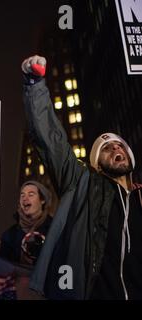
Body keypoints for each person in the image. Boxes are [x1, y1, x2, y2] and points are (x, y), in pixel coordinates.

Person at [22, 55, 142, 300]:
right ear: (96, 164)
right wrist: (35, 85)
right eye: (107, 149)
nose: (116, 149)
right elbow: (51, 140)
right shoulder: (82, 183)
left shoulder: (140, 197)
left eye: (120, 146)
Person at [0, 181, 52, 266]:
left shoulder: (55, 230)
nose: (25, 198)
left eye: (31, 195)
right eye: (22, 195)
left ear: (42, 200)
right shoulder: (9, 235)